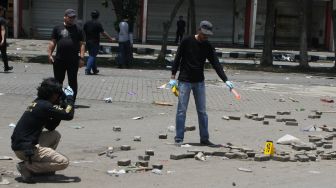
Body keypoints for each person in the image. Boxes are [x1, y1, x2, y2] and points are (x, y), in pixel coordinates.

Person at [170, 20, 234, 146]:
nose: (205, 37)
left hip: (199, 82)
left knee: (202, 111)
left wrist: (226, 80)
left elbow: (216, 64)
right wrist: (173, 77)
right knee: (181, 110)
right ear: (199, 30)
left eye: (207, 35)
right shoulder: (186, 41)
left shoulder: (207, 46)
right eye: (204, 34)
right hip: (184, 81)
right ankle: (179, 138)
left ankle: (204, 139)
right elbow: (177, 58)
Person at [11, 77, 75, 183]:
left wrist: (59, 107)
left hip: (21, 144)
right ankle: (26, 167)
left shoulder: (38, 103)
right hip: (26, 148)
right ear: (53, 94)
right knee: (63, 162)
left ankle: (40, 166)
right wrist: (69, 99)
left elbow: (50, 127)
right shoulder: (45, 106)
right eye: (58, 94)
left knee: (54, 135)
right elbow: (69, 114)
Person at [48, 9, 85, 101]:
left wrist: (81, 58)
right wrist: (49, 55)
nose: (72, 19)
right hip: (59, 59)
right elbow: (53, 42)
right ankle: (57, 99)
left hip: (73, 60)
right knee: (58, 81)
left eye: (73, 17)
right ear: (65, 17)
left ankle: (71, 100)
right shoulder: (57, 28)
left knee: (72, 81)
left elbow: (82, 45)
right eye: (70, 17)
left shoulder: (79, 29)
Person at [83, 10, 114, 75]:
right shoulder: (98, 23)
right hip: (95, 42)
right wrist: (110, 38)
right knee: (92, 55)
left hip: (88, 42)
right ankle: (87, 70)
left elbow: (83, 32)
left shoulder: (87, 23)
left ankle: (94, 70)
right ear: (98, 16)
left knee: (92, 55)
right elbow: (103, 33)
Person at [0, 6, 12, 72]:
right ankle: (6, 67)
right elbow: (2, 29)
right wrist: (2, 39)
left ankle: (7, 67)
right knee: (4, 54)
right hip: (1, 40)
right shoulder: (2, 19)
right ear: (1, 11)